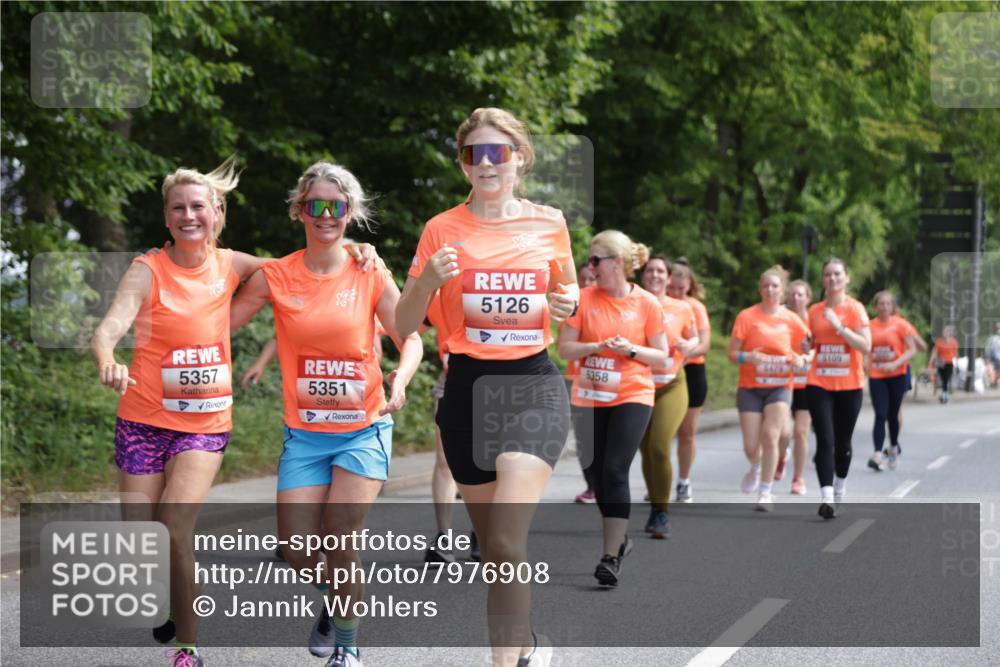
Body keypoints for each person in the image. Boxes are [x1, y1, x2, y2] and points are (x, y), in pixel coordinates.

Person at [395, 107, 577, 667]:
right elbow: (402, 325)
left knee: (503, 541)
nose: (488, 163)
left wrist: (570, 306)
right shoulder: (440, 230)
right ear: (463, 164)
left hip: (532, 387)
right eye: (476, 153)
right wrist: (426, 281)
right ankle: (526, 648)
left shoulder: (550, 223)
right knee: (499, 555)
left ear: (520, 158)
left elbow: (568, 303)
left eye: (499, 151)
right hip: (467, 394)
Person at [230, 161, 422, 667]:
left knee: (340, 536)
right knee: (296, 550)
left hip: (363, 429)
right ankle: (341, 597)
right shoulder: (276, 275)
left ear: (350, 212)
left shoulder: (368, 269)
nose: (324, 215)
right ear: (299, 211)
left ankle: (348, 647)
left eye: (335, 207)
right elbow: (217, 322)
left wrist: (399, 381)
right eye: (314, 206)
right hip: (306, 435)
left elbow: (412, 338)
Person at [91, 157, 266, 667]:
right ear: (167, 219)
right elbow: (108, 329)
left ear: (216, 212)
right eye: (177, 209)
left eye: (198, 206)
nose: (188, 216)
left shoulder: (233, 264)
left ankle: (188, 648)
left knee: (173, 525)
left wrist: (357, 250)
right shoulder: (148, 269)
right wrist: (109, 361)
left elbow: (289, 274)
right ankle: (164, 597)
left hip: (204, 424)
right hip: (143, 418)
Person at [560, 231, 668, 582]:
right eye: (589, 261)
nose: (590, 268)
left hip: (632, 394)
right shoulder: (583, 299)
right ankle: (620, 540)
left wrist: (630, 351)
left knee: (615, 469)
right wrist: (595, 346)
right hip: (590, 394)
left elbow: (662, 355)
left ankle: (610, 555)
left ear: (617, 264)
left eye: (596, 261)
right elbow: (564, 349)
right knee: (595, 474)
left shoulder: (647, 303)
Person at [728, 266, 809, 511]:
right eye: (766, 286)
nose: (770, 290)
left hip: (781, 386)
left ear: (782, 291)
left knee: (771, 436)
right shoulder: (746, 316)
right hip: (751, 387)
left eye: (775, 286)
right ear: (760, 289)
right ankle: (756, 465)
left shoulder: (791, 319)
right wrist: (747, 358)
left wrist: (801, 360)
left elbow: (808, 350)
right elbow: (732, 353)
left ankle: (765, 492)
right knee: (752, 447)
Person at [806, 258, 871, 519]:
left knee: (843, 442)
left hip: (849, 384)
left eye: (837, 274)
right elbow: (809, 344)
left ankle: (840, 485)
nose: (832, 279)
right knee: (825, 439)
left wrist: (839, 326)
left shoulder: (855, 309)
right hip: (818, 382)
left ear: (847, 278)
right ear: (823, 280)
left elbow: (866, 346)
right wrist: (804, 347)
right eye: (828, 275)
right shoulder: (814, 311)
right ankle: (827, 496)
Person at [637, 254, 697, 537]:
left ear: (669, 277)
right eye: (650, 270)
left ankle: (661, 513)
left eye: (661, 271)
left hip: (672, 383)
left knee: (659, 445)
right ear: (643, 274)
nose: (656, 275)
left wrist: (689, 345)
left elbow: (695, 338)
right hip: (637, 385)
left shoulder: (682, 307)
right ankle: (655, 504)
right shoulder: (632, 301)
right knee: (645, 449)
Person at [666, 259, 711, 503]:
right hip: (662, 371)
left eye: (681, 289)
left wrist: (687, 351)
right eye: (672, 288)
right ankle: (658, 478)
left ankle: (683, 481)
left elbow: (705, 343)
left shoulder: (695, 307)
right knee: (659, 433)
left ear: (690, 287)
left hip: (692, 371)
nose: (676, 294)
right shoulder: (658, 303)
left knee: (686, 432)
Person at [867, 291, 917, 471]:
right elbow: (866, 348)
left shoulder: (901, 325)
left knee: (892, 414)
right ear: (876, 306)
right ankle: (878, 453)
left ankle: (894, 447)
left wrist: (895, 363)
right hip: (877, 375)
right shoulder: (869, 325)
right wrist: (867, 363)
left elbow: (912, 350)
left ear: (893, 307)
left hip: (897, 375)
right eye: (881, 303)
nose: (884, 307)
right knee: (880, 414)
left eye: (888, 304)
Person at [778, 279, 814, 495]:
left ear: (808, 298)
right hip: (782, 382)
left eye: (800, 294)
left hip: (806, 383)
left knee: (801, 432)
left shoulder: (814, 320)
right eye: (792, 294)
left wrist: (808, 355)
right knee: (783, 433)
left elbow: (821, 347)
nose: (795, 298)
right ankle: (781, 457)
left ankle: (798, 478)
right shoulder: (780, 317)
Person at [570, 262, 599, 504]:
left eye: (592, 279)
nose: (588, 284)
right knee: (583, 437)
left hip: (606, 379)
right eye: (583, 279)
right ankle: (591, 485)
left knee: (602, 436)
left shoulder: (605, 305)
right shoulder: (574, 306)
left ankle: (604, 482)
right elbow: (565, 347)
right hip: (578, 379)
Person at [929, 325, 959, 403]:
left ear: (950, 333)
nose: (945, 333)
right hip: (941, 363)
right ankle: (945, 394)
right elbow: (935, 352)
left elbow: (956, 353)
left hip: (949, 363)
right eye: (944, 331)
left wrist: (957, 363)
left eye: (947, 331)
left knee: (946, 379)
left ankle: (945, 395)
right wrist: (931, 361)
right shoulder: (939, 341)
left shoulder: (954, 342)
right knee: (943, 380)